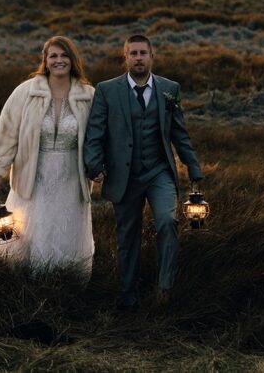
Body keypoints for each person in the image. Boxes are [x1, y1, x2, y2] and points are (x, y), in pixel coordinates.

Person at [83, 34, 204, 310]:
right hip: (124, 175)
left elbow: (179, 133)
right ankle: (128, 296)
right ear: (125, 57)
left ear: (152, 56)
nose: (138, 58)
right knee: (127, 235)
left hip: (159, 171)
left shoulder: (170, 88)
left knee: (167, 222)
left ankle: (165, 289)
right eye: (133, 53)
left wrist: (194, 167)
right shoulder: (107, 90)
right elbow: (95, 133)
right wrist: (94, 164)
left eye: (143, 53)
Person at [0, 35, 95, 278]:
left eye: (64, 55)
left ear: (73, 59)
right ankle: (30, 281)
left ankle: (64, 280)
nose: (59, 60)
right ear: (45, 61)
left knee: (65, 227)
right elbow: (7, 130)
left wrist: (100, 166)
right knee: (33, 227)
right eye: (53, 56)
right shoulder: (26, 92)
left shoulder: (88, 95)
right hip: (33, 172)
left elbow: (99, 136)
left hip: (71, 174)